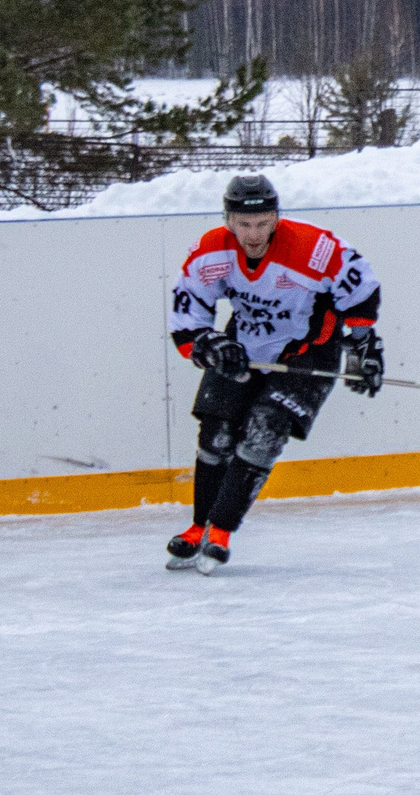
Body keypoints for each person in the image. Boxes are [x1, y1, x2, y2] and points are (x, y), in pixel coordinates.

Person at [164, 172, 384, 574]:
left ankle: (222, 532)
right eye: (244, 224)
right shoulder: (211, 253)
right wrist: (210, 344)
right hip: (243, 346)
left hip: (310, 352)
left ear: (277, 218)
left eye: (263, 223)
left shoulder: (314, 248)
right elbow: (188, 315)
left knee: (265, 430)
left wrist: (365, 345)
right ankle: (199, 527)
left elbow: (360, 289)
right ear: (227, 219)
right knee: (216, 431)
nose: (253, 233)